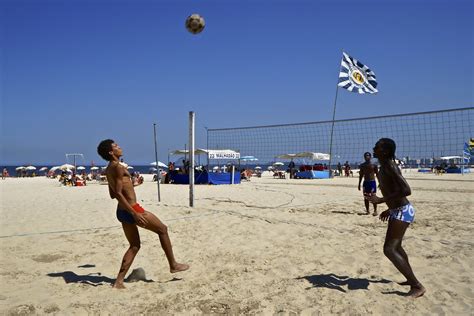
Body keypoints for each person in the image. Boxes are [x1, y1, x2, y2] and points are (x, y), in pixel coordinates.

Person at [97, 139, 189, 289]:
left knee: (134, 246)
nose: (120, 147)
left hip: (121, 211)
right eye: (116, 146)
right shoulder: (118, 168)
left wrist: (131, 186)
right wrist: (134, 213)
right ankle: (173, 265)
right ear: (111, 152)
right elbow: (119, 194)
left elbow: (112, 195)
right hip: (133, 209)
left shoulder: (108, 169)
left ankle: (119, 282)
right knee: (163, 230)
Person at [366, 138, 425, 298]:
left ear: (385, 151)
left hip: (403, 210)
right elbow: (391, 189)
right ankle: (409, 278)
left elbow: (406, 190)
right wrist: (389, 208)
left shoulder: (391, 166)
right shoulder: (383, 166)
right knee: (396, 247)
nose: (373, 148)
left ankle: (416, 285)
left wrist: (381, 201)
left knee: (389, 249)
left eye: (377, 147)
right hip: (396, 210)